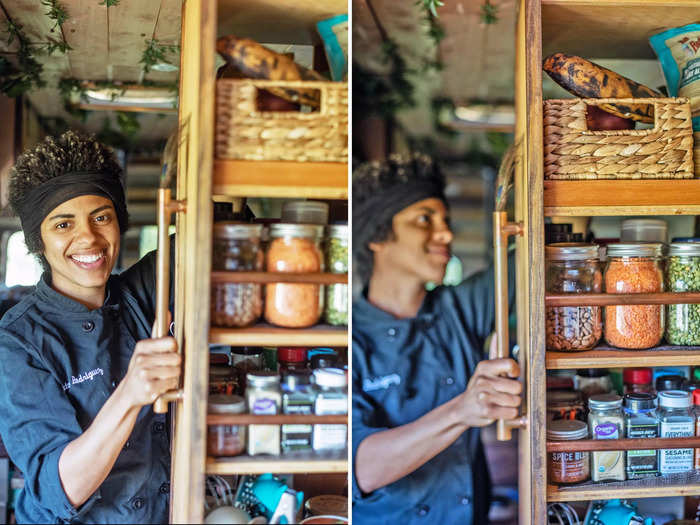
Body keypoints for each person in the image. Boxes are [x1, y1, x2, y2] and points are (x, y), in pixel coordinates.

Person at [0, 131, 181, 523]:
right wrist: (132, 393)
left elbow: (217, 228)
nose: (88, 237)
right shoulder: (18, 341)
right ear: (38, 243)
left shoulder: (144, 289)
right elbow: (61, 487)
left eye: (101, 217)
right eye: (63, 225)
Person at [352, 153, 521, 524]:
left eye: (445, 220)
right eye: (425, 219)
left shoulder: (458, 308)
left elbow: (530, 256)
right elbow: (363, 468)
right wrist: (464, 409)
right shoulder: (351, 339)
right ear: (377, 236)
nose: (446, 234)